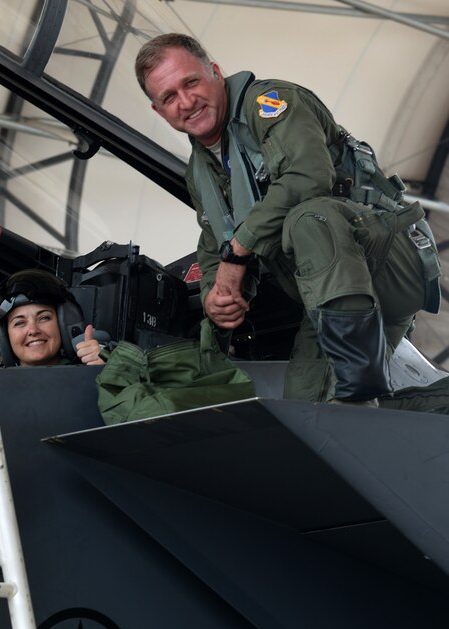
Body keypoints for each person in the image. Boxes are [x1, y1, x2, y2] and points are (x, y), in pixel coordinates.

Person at [134, 33, 440, 404]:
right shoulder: (200, 172)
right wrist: (221, 294)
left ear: (214, 72)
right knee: (309, 411)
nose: (186, 102)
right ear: (158, 110)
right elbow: (215, 242)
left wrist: (238, 253)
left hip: (388, 258)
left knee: (309, 217)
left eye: (191, 82)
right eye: (169, 97)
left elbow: (309, 177)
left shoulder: (270, 104)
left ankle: (358, 373)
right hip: (333, 297)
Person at [0, 269, 105, 368]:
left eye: (44, 318)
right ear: (4, 335)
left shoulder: (96, 370)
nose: (33, 330)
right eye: (20, 323)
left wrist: (107, 370)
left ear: (65, 324)